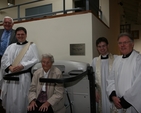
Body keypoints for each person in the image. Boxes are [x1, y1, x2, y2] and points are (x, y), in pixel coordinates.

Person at [1, 27, 39, 113]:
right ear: (16, 35)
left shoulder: (32, 46)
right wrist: (10, 67)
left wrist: (23, 65)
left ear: (26, 35)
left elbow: (36, 59)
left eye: (22, 34)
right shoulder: (10, 47)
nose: (20, 36)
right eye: (18, 34)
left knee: (23, 97)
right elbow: (4, 60)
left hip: (24, 77)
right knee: (11, 98)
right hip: (11, 76)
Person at [107, 32, 141, 113]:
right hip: (117, 102)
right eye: (120, 43)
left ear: (132, 44)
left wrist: (124, 101)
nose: (122, 45)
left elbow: (139, 85)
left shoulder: (138, 60)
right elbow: (111, 79)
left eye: (125, 42)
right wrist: (113, 96)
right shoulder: (117, 60)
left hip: (130, 105)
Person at [91, 37, 117, 113]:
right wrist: (94, 92)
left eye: (104, 46)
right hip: (100, 91)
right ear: (97, 48)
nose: (102, 48)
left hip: (113, 91)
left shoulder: (116, 59)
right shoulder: (95, 61)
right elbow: (92, 78)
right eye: (99, 46)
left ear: (108, 46)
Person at [0, 16, 17, 94]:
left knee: (5, 77)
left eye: (9, 23)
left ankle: (4, 95)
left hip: (9, 59)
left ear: (12, 24)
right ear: (3, 23)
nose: (7, 24)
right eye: (5, 22)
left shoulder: (16, 33)